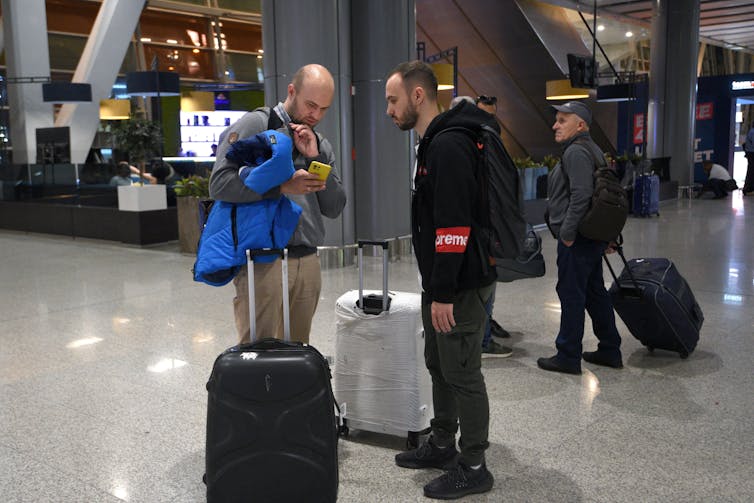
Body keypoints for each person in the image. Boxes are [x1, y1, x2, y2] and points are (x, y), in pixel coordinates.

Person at [386, 61, 495, 500]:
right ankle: (443, 442)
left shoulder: (448, 146)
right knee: (439, 364)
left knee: (463, 373)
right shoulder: (433, 144)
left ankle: (473, 464)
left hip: (461, 284)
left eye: (393, 100)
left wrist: (444, 292)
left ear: (418, 96)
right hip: (443, 280)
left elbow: (455, 225)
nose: (389, 110)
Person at [209, 64, 346, 345]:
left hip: (307, 260)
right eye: (310, 105)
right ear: (291, 91)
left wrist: (314, 158)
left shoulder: (319, 143)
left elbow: (334, 206)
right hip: (262, 261)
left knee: (298, 352)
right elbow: (219, 184)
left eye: (323, 109)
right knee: (259, 353)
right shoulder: (256, 125)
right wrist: (282, 187)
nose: (316, 115)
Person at [538, 101, 622, 375]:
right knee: (595, 292)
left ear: (580, 125)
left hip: (579, 237)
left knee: (571, 294)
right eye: (556, 120)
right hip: (592, 235)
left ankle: (568, 355)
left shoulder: (575, 152)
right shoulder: (593, 150)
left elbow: (582, 196)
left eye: (563, 120)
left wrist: (568, 234)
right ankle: (610, 348)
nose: (555, 125)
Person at [450, 95, 513, 357]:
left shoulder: (481, 144)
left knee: (486, 290)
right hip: (477, 238)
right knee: (479, 291)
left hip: (484, 235)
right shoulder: (463, 147)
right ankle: (483, 338)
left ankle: (485, 331)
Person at [742, 124, 754, 196]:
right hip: (752, 154)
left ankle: (750, 188)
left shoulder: (751, 131)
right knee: (751, 172)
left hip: (750, 153)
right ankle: (748, 189)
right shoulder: (753, 132)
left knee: (751, 171)